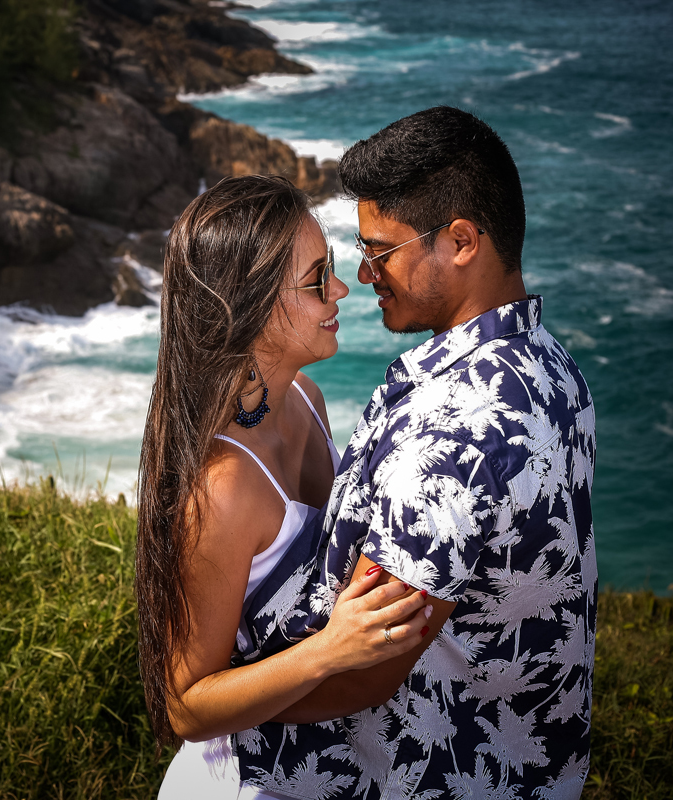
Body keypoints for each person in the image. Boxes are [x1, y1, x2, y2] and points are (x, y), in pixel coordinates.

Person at [232, 107, 598, 800]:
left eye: (379, 249)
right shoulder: (554, 368)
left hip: (424, 776)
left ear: (461, 242)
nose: (364, 275)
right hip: (532, 764)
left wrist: (227, 709)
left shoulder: (450, 436)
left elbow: (367, 670)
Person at [134, 175, 434, 798]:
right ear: (250, 304)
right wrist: (330, 651)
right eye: (316, 279)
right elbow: (185, 708)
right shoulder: (223, 488)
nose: (342, 290)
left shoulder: (306, 398)